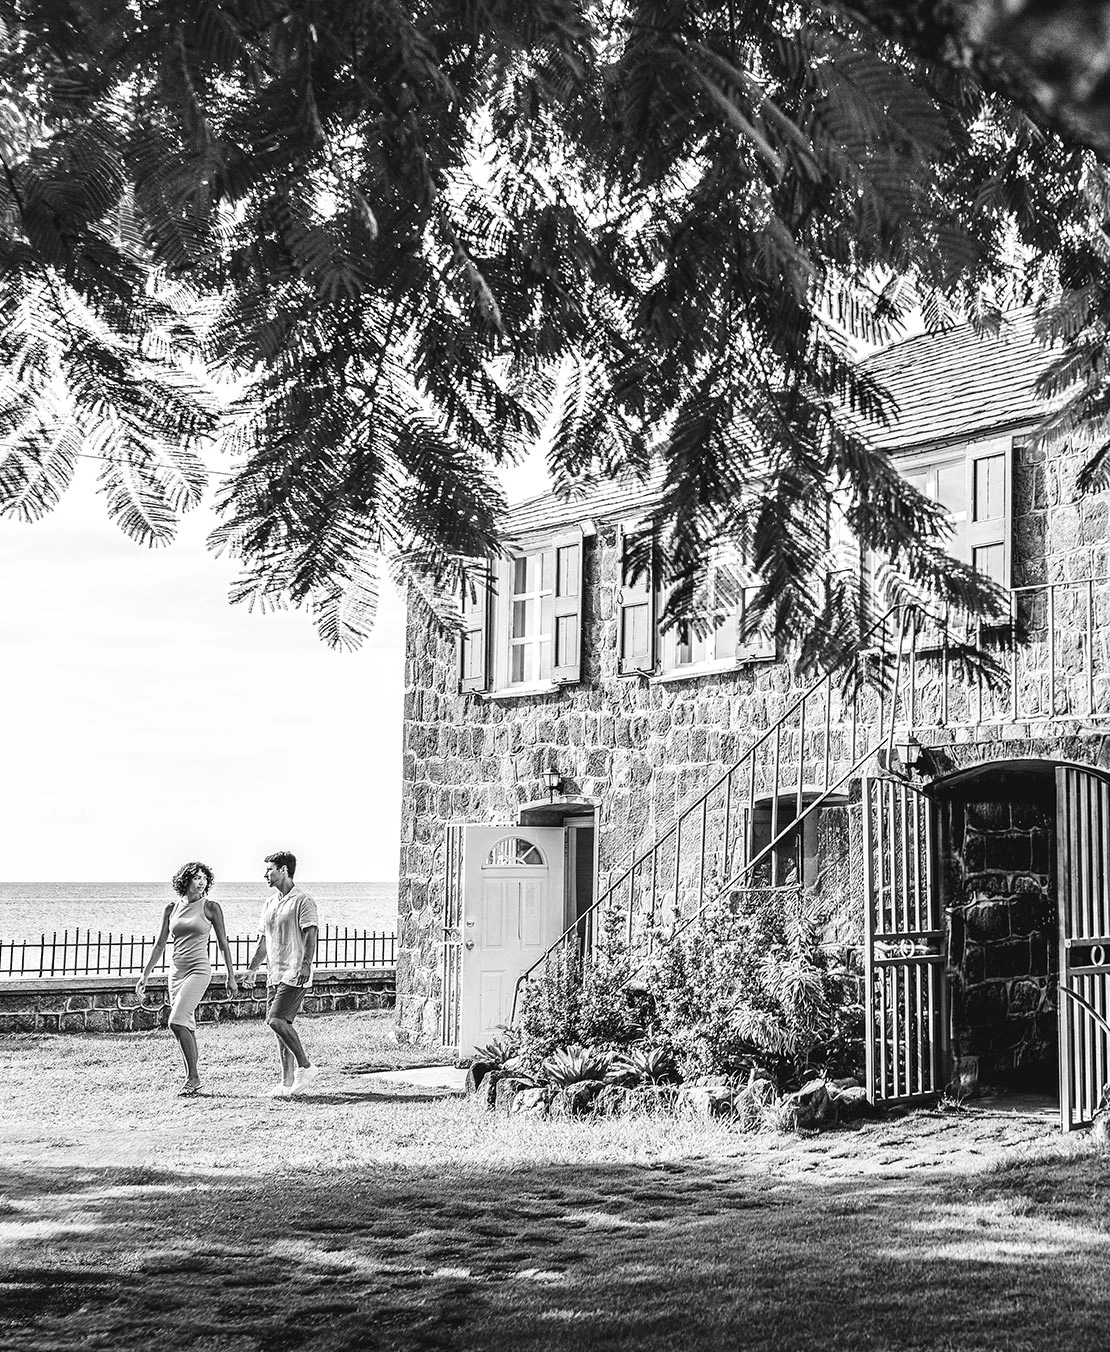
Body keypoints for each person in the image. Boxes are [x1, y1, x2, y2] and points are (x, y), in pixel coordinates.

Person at [135, 861, 238, 1095]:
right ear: (186, 880)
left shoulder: (211, 907)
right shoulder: (171, 908)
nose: (201, 882)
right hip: (176, 972)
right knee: (186, 1025)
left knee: (176, 1021)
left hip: (199, 970)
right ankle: (192, 1079)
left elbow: (223, 943)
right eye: (197, 878)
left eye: (205, 878)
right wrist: (145, 975)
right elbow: (160, 943)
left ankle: (193, 1077)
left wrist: (231, 975)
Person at [241, 851, 321, 1097]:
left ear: (284, 870)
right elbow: (263, 941)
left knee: (275, 1020)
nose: (266, 874)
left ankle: (305, 1067)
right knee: (280, 1027)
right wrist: (253, 969)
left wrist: (306, 965)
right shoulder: (269, 903)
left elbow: (311, 934)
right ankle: (286, 1084)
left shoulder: (303, 901)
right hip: (274, 973)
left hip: (295, 971)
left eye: (270, 869)